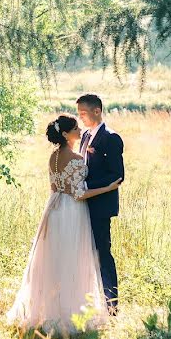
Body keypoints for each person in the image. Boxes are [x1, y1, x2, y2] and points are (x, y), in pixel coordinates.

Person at [6, 114, 122, 334]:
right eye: (76, 129)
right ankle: (69, 312)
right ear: (67, 134)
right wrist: (108, 187)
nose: (80, 131)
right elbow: (79, 193)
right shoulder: (77, 159)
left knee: (54, 259)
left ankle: (51, 308)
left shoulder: (54, 157)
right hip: (71, 211)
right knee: (72, 259)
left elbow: (56, 186)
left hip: (54, 208)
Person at [76, 93, 124, 315]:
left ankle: (111, 305)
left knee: (102, 252)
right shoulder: (85, 135)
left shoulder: (111, 138)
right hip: (82, 204)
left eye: (83, 113)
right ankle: (90, 302)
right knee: (86, 253)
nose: (81, 118)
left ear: (97, 111)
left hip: (100, 205)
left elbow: (117, 175)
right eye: (79, 114)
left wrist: (86, 186)